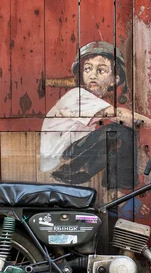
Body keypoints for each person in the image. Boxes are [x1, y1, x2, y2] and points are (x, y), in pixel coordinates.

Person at [39, 41, 135, 190]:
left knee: (114, 138)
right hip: (60, 162)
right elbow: (121, 115)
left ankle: (114, 190)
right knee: (120, 132)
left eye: (101, 71)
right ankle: (122, 192)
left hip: (62, 158)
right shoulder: (79, 95)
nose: (92, 75)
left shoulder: (90, 100)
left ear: (115, 79)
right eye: (87, 69)